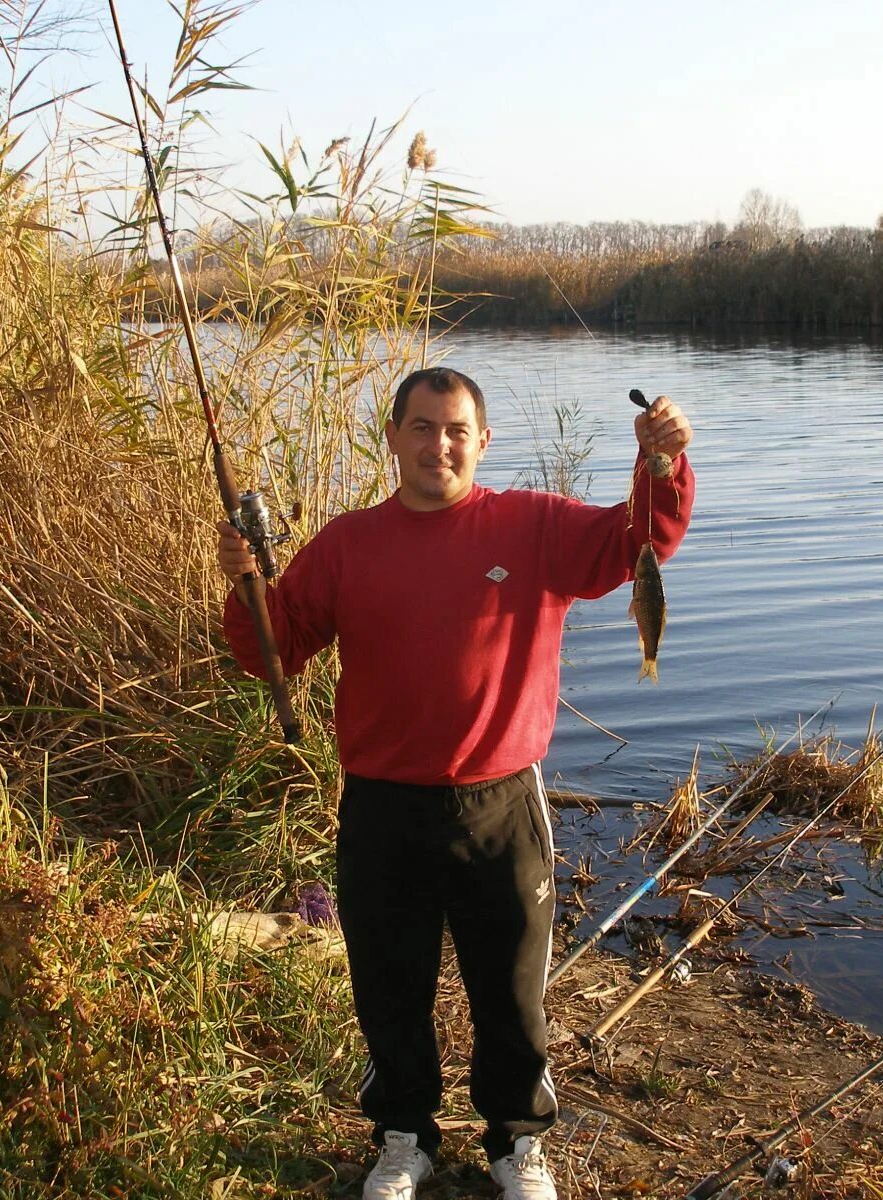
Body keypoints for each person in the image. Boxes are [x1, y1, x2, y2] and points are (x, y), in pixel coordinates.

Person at [217, 366, 693, 1200]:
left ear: (482, 441)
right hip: (381, 804)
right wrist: (246, 583)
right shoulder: (345, 543)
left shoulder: (533, 525)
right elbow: (270, 651)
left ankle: (516, 1141)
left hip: (499, 804)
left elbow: (635, 544)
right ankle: (404, 1137)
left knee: (510, 994)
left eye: (456, 429)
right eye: (422, 427)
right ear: (393, 437)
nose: (439, 444)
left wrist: (660, 467)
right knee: (388, 985)